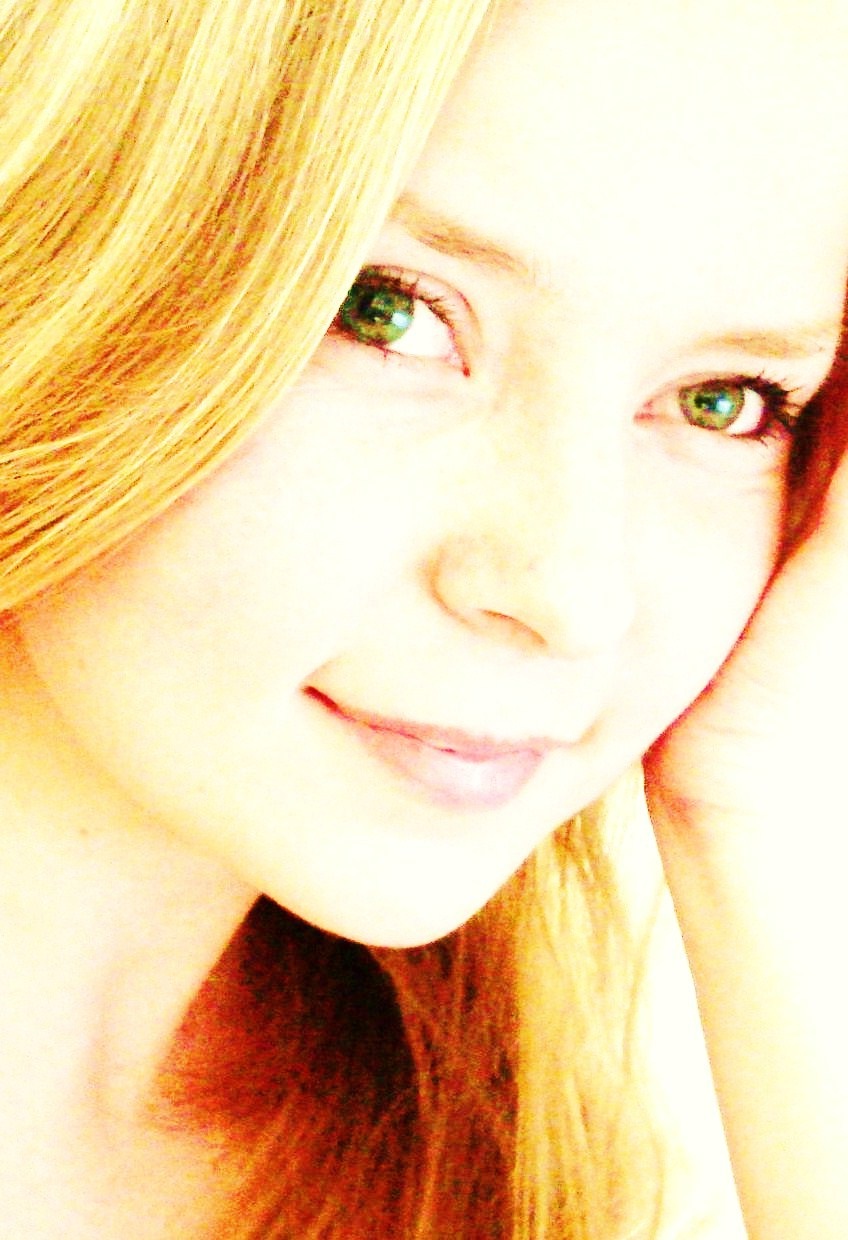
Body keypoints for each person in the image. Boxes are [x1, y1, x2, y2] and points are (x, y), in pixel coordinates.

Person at [2, 0, 848, 1235]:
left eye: (722, 402)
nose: (569, 594)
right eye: (387, 313)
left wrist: (762, 815)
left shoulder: (523, 1155)